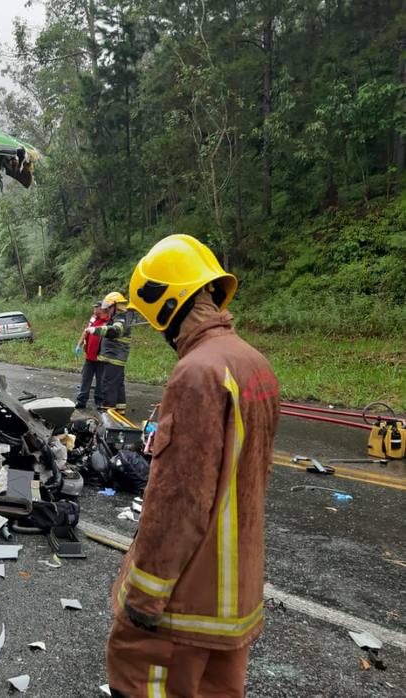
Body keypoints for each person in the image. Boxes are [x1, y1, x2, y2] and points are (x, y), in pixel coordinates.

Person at [105, 235, 280, 697]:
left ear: (166, 305)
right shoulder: (254, 363)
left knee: (135, 678)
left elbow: (180, 498)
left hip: (183, 604)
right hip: (233, 599)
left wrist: (144, 597)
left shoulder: (197, 373)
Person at [87, 291, 134, 414]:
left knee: (108, 387)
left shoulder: (121, 318)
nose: (107, 311)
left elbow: (114, 331)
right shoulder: (120, 317)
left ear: (115, 306)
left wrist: (96, 330)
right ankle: (120, 412)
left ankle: (108, 414)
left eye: (109, 308)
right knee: (118, 386)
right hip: (115, 358)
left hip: (114, 358)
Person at [74, 301, 108, 410]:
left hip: (101, 358)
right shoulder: (93, 318)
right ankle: (81, 401)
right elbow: (86, 331)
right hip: (89, 356)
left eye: (96, 307)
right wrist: (78, 345)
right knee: (85, 379)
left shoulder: (108, 320)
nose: (94, 309)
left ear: (102, 308)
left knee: (100, 381)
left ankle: (99, 402)